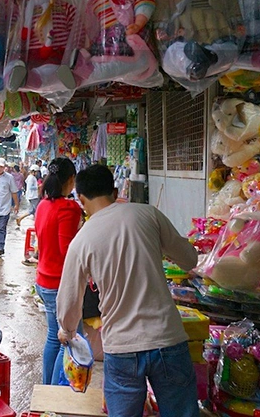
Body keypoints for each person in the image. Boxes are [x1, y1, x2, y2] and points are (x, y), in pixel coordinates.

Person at [57, 165, 199, 416]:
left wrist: (67, 331)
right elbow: (189, 260)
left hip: (122, 347)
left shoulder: (82, 240)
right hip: (167, 337)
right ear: (114, 190)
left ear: (81, 200)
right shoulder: (148, 214)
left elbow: (69, 299)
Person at [32, 158, 83, 385]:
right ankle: (53, 395)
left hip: (43, 280)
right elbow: (67, 252)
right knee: (68, 339)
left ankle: (47, 391)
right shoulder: (69, 208)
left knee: (54, 338)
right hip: (58, 284)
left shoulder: (43, 205)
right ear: (71, 179)